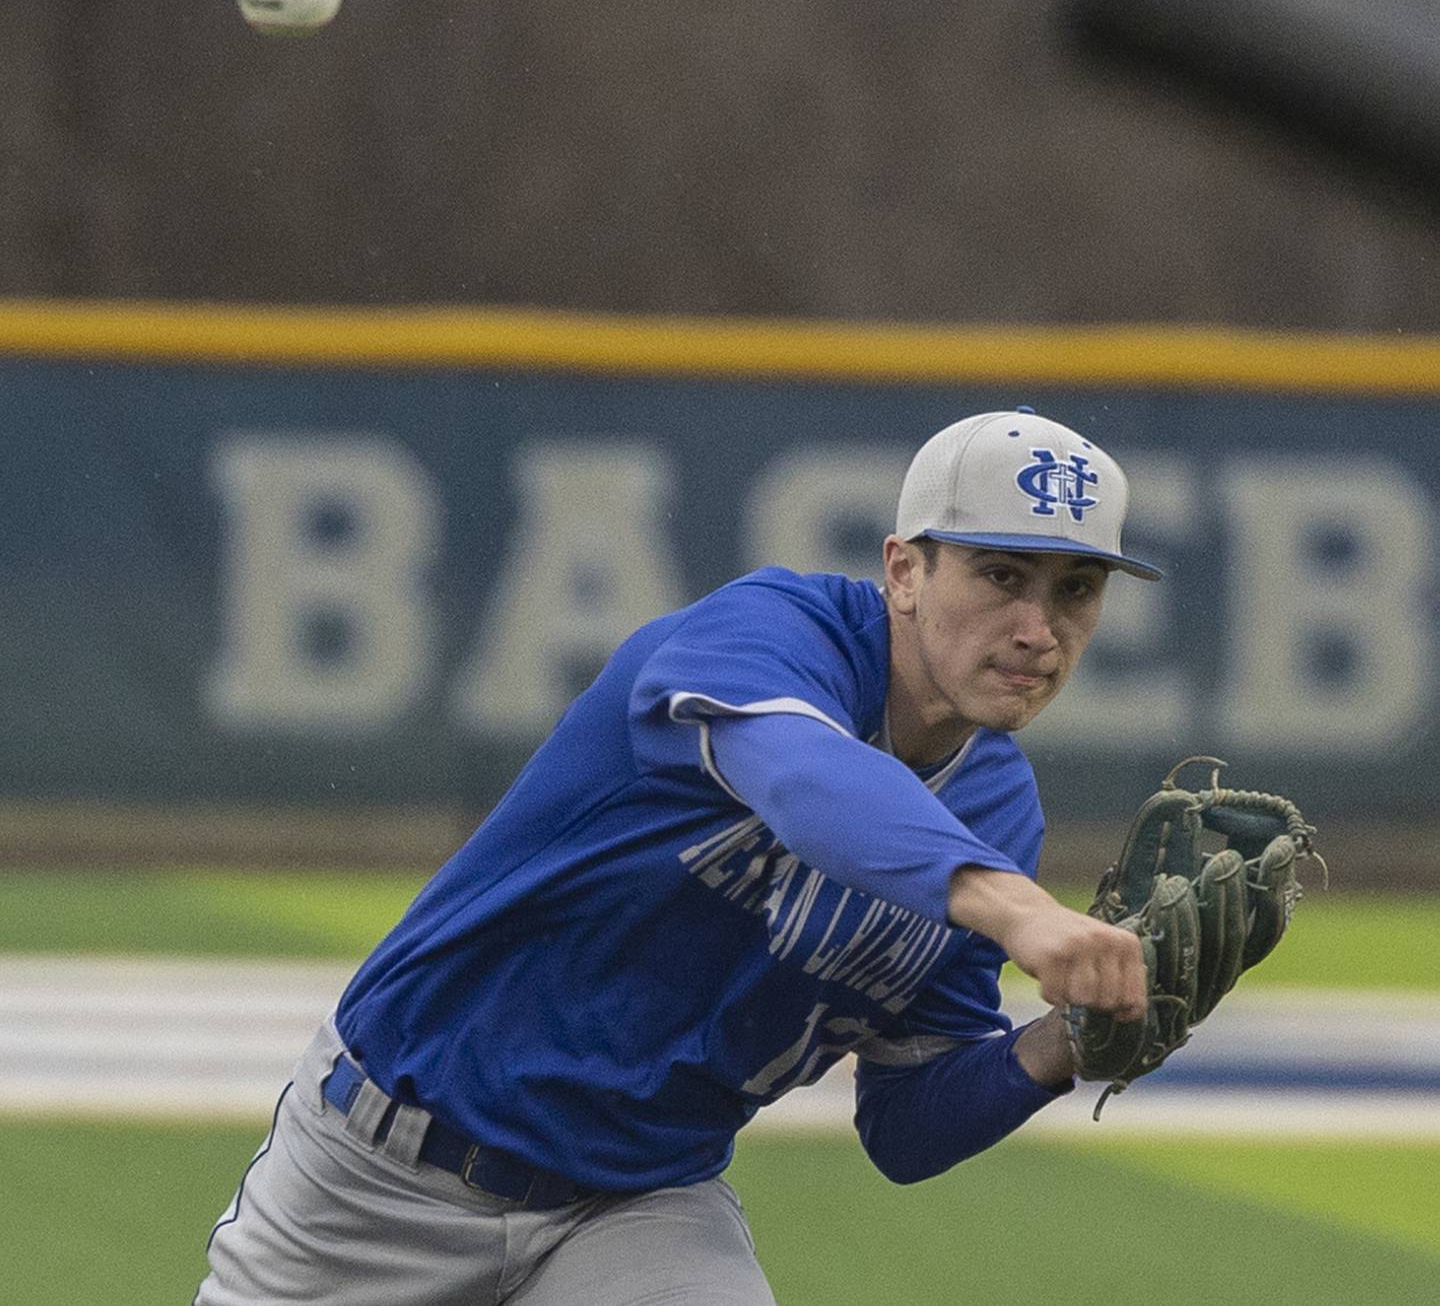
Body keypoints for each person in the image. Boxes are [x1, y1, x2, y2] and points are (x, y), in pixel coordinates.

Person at [195, 405, 1162, 1306]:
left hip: (637, 1207)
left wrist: (1067, 1041)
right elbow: (806, 780)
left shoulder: (996, 812)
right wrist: (1020, 910)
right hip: (378, 1179)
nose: (1038, 630)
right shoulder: (766, 634)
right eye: (1002, 576)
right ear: (905, 571)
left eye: (1075, 589)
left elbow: (907, 1123)